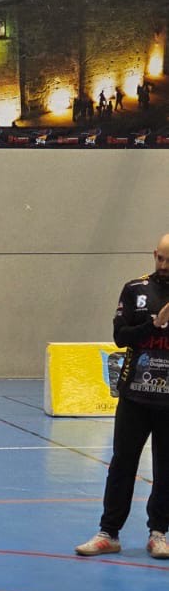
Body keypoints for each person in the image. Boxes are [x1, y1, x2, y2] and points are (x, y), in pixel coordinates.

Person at [76, 234, 169, 560]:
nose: (164, 266)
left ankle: (158, 533)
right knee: (121, 464)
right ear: (154, 254)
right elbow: (119, 338)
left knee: (165, 469)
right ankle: (108, 532)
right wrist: (152, 326)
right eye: (161, 259)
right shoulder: (135, 289)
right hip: (135, 395)